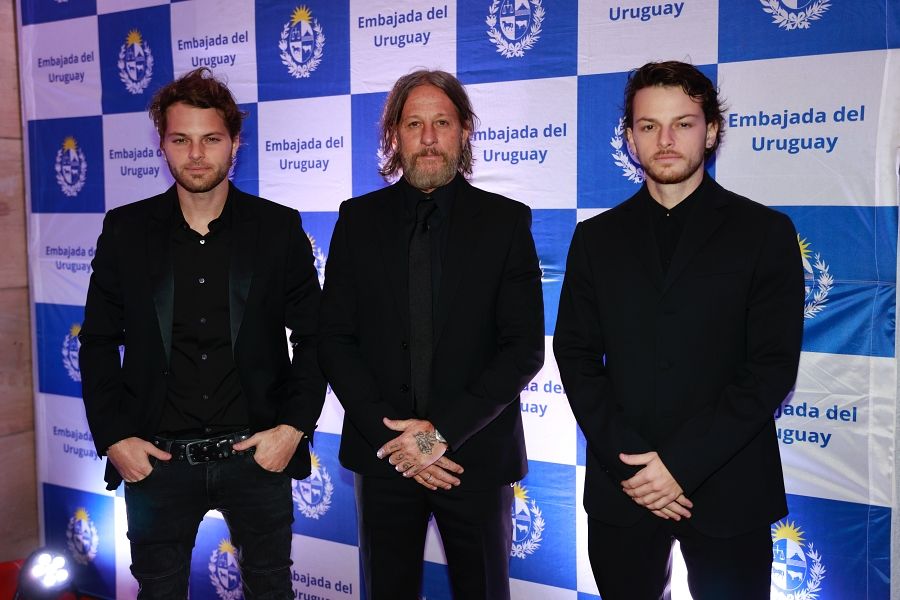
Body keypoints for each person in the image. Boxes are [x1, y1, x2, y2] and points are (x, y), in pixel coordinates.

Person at [553, 61, 805, 600]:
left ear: (711, 130)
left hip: (730, 486)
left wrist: (680, 466)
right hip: (625, 487)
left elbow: (771, 367)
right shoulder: (595, 239)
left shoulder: (765, 233)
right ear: (629, 137)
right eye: (649, 126)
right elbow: (574, 354)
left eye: (683, 123)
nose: (665, 140)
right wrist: (637, 467)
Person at [79, 67, 325, 599]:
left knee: (271, 589)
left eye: (211, 138)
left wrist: (292, 430)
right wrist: (115, 438)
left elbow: (315, 337)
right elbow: (97, 341)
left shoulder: (277, 228)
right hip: (156, 462)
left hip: (257, 456)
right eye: (180, 139)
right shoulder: (125, 231)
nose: (195, 154)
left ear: (234, 142)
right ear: (162, 145)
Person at [317, 69, 544, 599]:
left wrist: (435, 438)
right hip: (384, 456)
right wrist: (402, 445)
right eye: (414, 123)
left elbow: (523, 348)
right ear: (393, 135)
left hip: (475, 457)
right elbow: (334, 340)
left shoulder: (506, 222)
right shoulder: (357, 220)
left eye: (442, 122)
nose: (428, 136)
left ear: (465, 131)